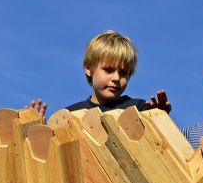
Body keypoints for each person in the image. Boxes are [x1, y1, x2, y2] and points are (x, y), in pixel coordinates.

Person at [28, 30, 170, 117]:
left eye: (123, 73)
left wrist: (158, 117)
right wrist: (38, 135)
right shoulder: (70, 115)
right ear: (88, 68)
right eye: (108, 70)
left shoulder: (138, 108)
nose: (116, 78)